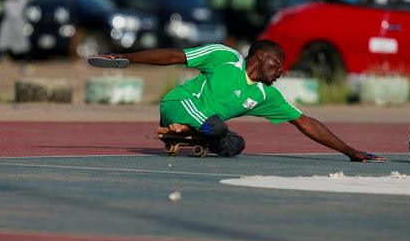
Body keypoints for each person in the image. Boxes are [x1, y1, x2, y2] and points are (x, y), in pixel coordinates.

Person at [90, 40, 386, 162]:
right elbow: (174, 57)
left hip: (207, 123)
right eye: (278, 64)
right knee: (217, 128)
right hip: (178, 102)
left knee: (236, 145)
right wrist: (126, 58)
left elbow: (305, 123)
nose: (282, 71)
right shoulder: (225, 58)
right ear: (261, 57)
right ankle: (184, 125)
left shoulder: (265, 94)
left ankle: (191, 132)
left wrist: (350, 151)